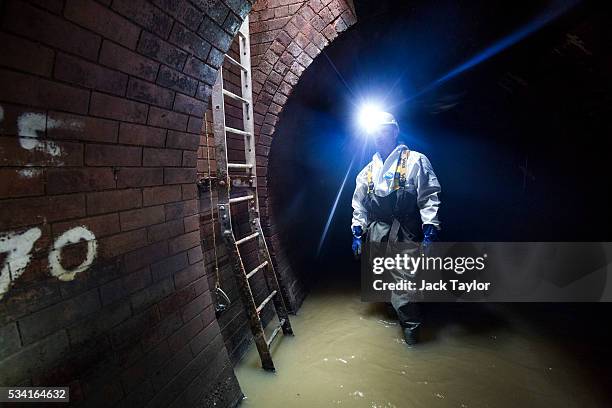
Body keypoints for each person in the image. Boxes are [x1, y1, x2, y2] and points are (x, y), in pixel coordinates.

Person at [351, 111, 441, 346]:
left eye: (383, 130)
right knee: (383, 277)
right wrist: (357, 232)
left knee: (404, 284)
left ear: (394, 131)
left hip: (404, 230)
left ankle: (412, 338)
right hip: (377, 232)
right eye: (375, 132)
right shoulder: (367, 171)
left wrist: (430, 229)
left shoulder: (415, 160)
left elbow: (429, 196)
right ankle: (393, 315)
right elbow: (358, 204)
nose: (379, 136)